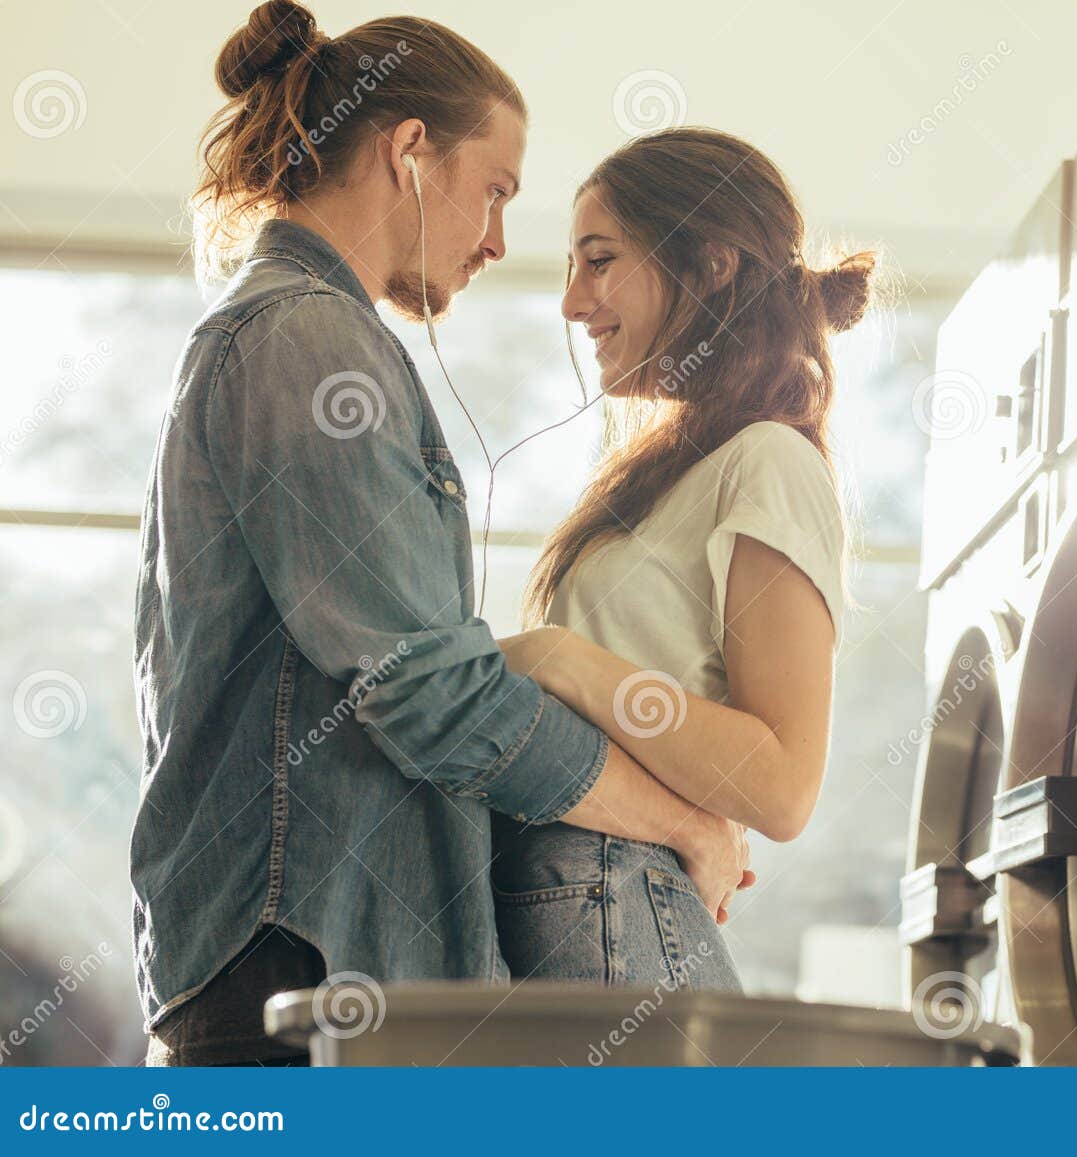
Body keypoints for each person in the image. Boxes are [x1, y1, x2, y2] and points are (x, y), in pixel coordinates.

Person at [133, 1, 746, 1066]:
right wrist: (681, 820)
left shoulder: (307, 334)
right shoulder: (309, 341)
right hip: (302, 963)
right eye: (495, 190)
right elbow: (428, 687)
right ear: (409, 152)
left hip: (301, 957)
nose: (501, 240)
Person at [491, 128, 876, 992]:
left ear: (711, 265)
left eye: (599, 260)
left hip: (616, 909)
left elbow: (780, 783)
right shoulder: (683, 470)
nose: (571, 302)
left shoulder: (769, 460)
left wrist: (559, 661)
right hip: (585, 902)